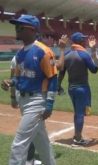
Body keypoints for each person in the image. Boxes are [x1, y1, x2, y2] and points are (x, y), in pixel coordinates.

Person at [1, 14, 56, 165]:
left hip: (37, 101)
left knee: (18, 145)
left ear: (31, 30)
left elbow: (52, 78)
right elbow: (19, 77)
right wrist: (10, 82)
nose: (16, 29)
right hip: (24, 101)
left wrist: (49, 104)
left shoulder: (43, 51)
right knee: (42, 144)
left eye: (20, 27)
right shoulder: (20, 53)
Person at [58, 32, 98, 145]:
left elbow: (61, 73)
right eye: (83, 40)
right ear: (80, 41)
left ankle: (77, 135)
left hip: (71, 88)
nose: (85, 41)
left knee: (77, 112)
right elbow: (94, 70)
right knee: (80, 113)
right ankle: (78, 138)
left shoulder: (66, 54)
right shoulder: (84, 54)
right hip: (82, 88)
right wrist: (94, 51)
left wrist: (58, 85)